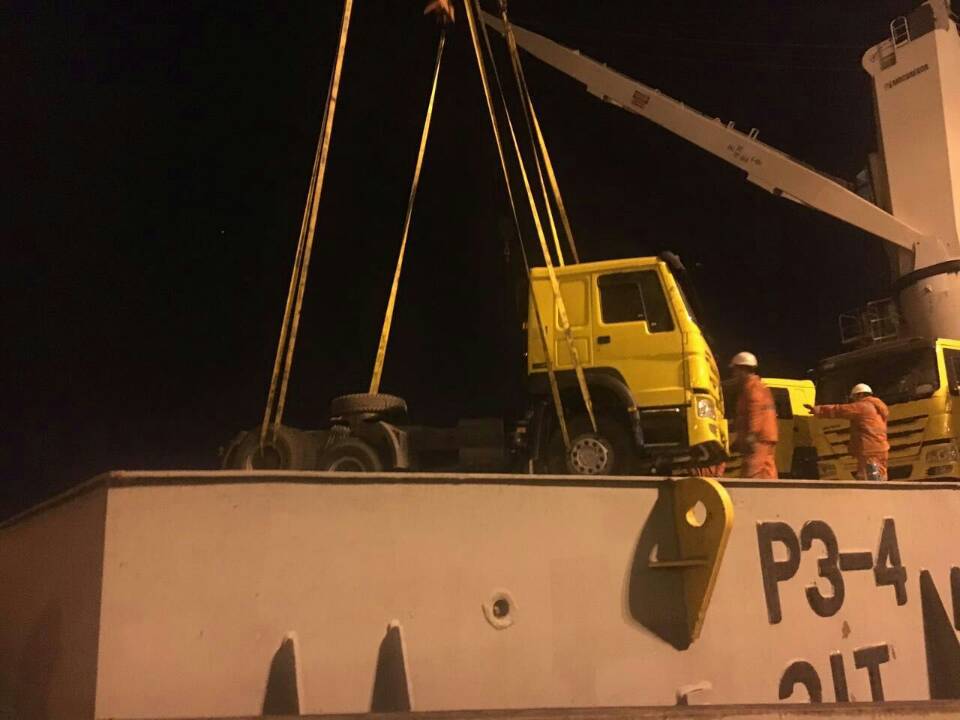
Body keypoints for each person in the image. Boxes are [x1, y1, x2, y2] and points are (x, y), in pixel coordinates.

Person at [805, 383, 889, 481]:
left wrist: (818, 410)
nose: (854, 400)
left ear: (860, 395)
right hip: (882, 447)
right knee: (881, 476)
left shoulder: (862, 406)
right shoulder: (879, 408)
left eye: (854, 397)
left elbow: (840, 410)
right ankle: (883, 495)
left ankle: (871, 495)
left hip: (869, 449)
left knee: (868, 478)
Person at [730, 351, 779, 479]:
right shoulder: (758, 386)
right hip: (766, 436)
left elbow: (755, 411)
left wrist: (752, 434)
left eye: (735, 371)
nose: (734, 374)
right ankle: (773, 496)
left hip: (759, 438)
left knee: (751, 472)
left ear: (743, 370)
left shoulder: (752, 388)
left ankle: (750, 498)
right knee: (767, 472)